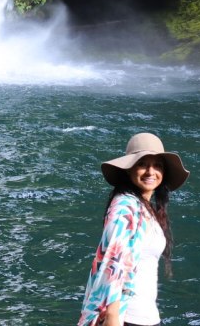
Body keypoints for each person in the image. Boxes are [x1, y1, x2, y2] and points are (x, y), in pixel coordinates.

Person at [78, 132, 190, 326]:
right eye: (142, 164)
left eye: (157, 166)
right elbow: (113, 263)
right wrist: (113, 318)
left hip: (145, 316)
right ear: (129, 169)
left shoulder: (145, 208)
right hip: (125, 317)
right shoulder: (124, 207)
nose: (150, 172)